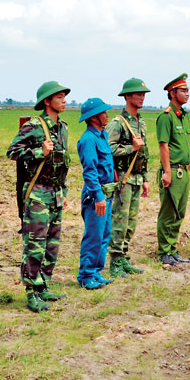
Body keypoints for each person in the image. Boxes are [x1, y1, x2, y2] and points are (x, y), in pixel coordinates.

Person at [7, 81, 72, 312]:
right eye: (60, 97)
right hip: (37, 193)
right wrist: (38, 152)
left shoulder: (62, 127)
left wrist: (63, 191)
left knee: (52, 244)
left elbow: (63, 163)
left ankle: (43, 284)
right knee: (35, 244)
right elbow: (12, 151)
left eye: (65, 96)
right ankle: (31, 291)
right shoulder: (35, 126)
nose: (64, 100)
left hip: (54, 193)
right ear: (47, 101)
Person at [106, 78, 151, 278]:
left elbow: (145, 152)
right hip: (123, 178)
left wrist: (146, 177)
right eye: (137, 94)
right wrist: (131, 148)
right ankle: (115, 260)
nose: (141, 97)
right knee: (120, 220)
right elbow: (108, 149)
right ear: (127, 97)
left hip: (136, 177)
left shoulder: (141, 122)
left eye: (143, 94)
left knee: (131, 221)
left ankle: (123, 256)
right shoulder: (118, 123)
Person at [76, 98, 117, 289]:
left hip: (107, 192)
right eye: (103, 112)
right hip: (96, 195)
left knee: (104, 234)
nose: (107, 115)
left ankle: (96, 271)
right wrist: (98, 196)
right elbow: (90, 171)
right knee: (94, 235)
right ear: (93, 117)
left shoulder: (102, 135)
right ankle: (86, 275)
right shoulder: (88, 139)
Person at [155, 73, 190, 265]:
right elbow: (164, 146)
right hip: (173, 171)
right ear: (172, 93)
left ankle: (172, 249)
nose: (187, 94)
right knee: (169, 212)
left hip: (184, 171)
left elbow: (187, 144)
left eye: (188, 90)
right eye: (183, 90)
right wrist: (167, 172)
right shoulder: (166, 117)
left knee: (180, 212)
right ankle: (164, 251)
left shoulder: (185, 117)